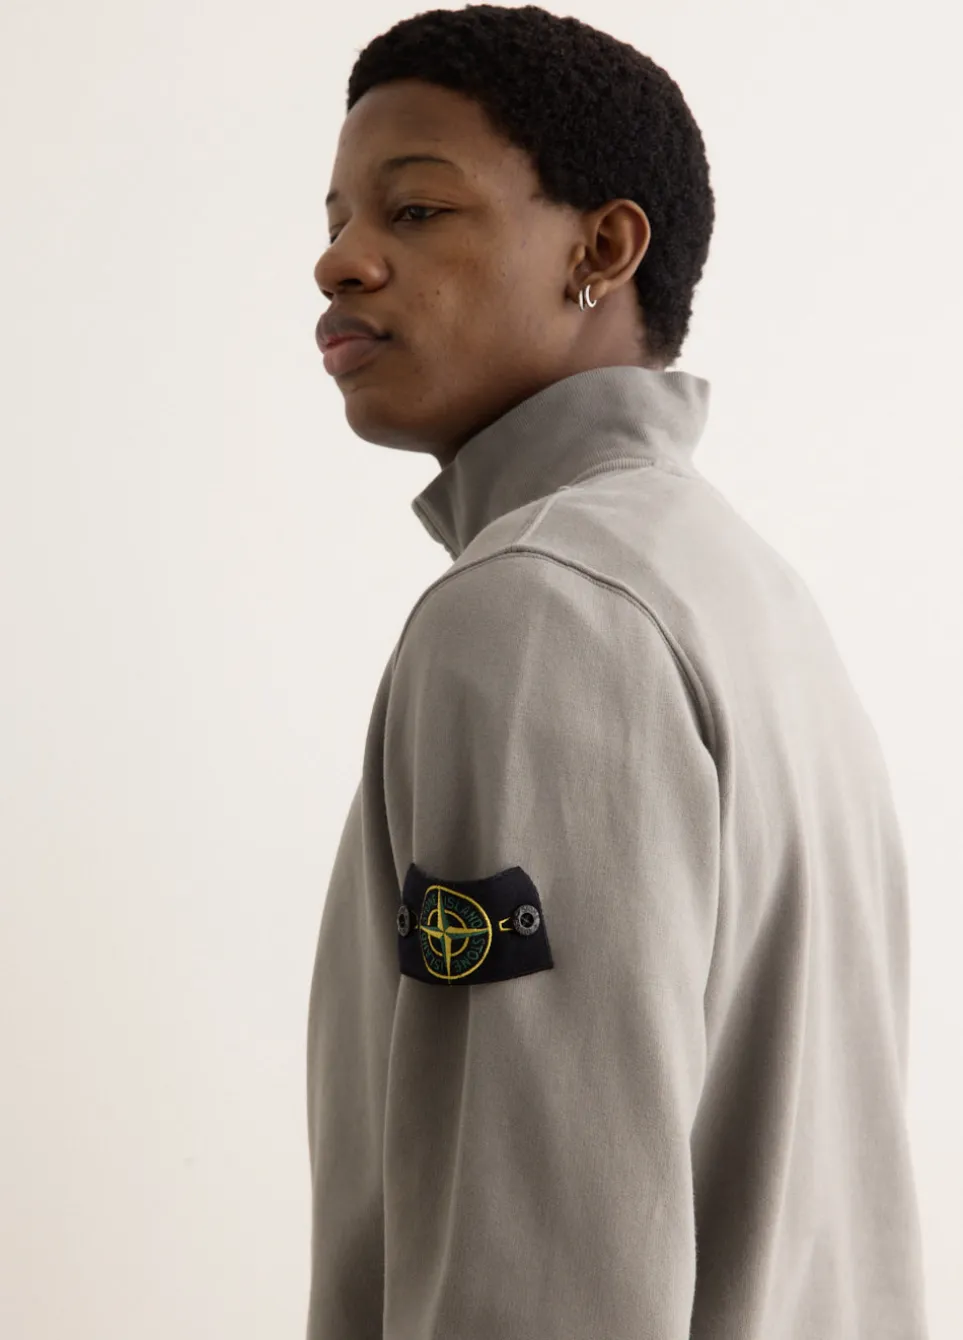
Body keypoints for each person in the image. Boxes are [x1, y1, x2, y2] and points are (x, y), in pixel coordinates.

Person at [306, 6, 929, 1338]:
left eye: (415, 211)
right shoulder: (744, 593)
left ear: (600, 249)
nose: (339, 260)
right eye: (338, 216)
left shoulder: (535, 612)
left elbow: (540, 1279)